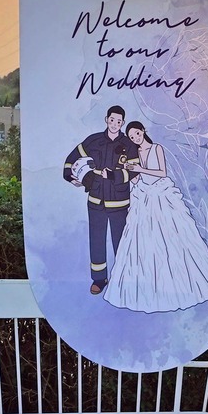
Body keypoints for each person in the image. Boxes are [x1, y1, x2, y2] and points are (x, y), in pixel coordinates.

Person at [105, 121, 208, 314]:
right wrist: (129, 171)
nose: (136, 138)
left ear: (143, 131)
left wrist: (139, 169)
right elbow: (137, 179)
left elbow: (162, 172)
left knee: (175, 238)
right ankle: (149, 290)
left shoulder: (156, 148)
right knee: (143, 241)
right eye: (132, 137)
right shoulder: (135, 154)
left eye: (137, 134)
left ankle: (185, 284)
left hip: (162, 194)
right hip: (143, 196)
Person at [64, 105, 135, 295]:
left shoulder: (129, 144)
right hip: (96, 200)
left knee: (121, 242)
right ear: (106, 119)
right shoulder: (93, 140)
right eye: (112, 120)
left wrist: (114, 175)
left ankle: (123, 278)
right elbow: (72, 158)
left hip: (119, 202)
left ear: (123, 123)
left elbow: (134, 171)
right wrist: (71, 177)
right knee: (96, 240)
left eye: (118, 121)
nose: (114, 124)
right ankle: (99, 279)